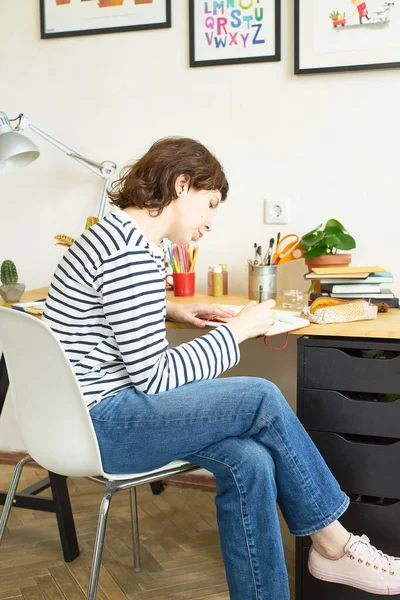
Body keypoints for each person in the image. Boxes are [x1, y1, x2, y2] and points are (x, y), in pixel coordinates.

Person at [42, 137, 400, 599]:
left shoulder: (116, 238)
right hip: (104, 427)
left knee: (249, 460)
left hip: (84, 417)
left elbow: (113, 309)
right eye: (209, 204)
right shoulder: (129, 254)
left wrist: (176, 311)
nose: (211, 221)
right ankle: (333, 544)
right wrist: (239, 331)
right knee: (262, 396)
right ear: (181, 184)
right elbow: (155, 377)